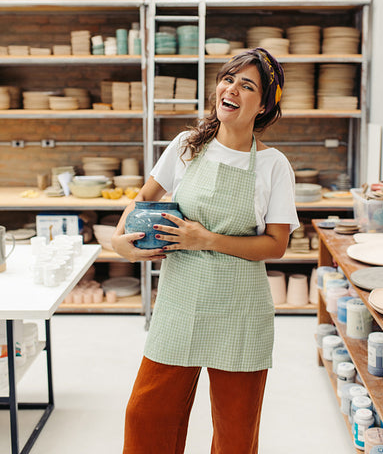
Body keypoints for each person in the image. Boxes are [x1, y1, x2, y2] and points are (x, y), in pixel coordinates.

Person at [112, 47, 299, 454]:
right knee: (146, 415)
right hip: (181, 300)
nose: (231, 89)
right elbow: (142, 199)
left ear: (265, 104)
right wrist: (118, 241)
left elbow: (277, 245)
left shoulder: (274, 166)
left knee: (235, 433)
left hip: (241, 309)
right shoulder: (187, 145)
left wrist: (207, 239)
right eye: (228, 79)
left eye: (247, 85)